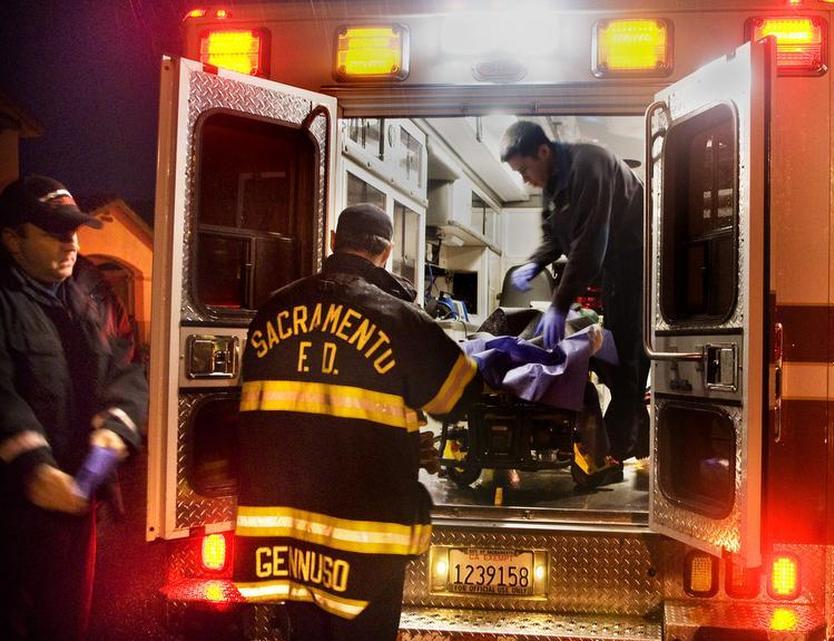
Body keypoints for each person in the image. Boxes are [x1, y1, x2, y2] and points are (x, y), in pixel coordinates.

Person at [233, 203, 480, 641]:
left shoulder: (271, 312)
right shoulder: (399, 319)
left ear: (332, 240)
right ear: (385, 253)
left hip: (291, 538)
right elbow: (458, 395)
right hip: (366, 543)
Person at [0, 175, 147, 641]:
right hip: (14, 506)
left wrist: (115, 431)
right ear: (12, 239)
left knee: (68, 622)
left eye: (74, 231)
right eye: (53, 232)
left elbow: (126, 364)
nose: (70, 244)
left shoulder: (92, 288)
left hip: (77, 503)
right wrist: (33, 465)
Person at [501, 120, 650, 462]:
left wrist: (558, 305)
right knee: (620, 365)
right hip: (616, 277)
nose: (524, 179)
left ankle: (615, 451)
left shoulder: (591, 163)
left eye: (524, 168)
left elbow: (590, 247)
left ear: (543, 151)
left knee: (629, 361)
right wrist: (535, 264)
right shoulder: (554, 186)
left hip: (637, 271)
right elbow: (554, 237)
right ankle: (636, 444)